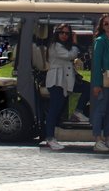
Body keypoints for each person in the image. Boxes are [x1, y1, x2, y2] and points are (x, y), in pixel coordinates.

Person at [43, 23, 88, 151]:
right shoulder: (55, 46)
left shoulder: (61, 46)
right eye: (62, 33)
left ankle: (78, 112)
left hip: (66, 79)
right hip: (57, 80)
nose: (64, 35)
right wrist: (74, 43)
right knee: (54, 109)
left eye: (67, 33)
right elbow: (70, 55)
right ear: (57, 34)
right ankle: (50, 138)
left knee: (87, 88)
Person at [90, 14, 109, 152]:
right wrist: (96, 84)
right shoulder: (100, 41)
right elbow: (96, 64)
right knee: (100, 110)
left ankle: (108, 138)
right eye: (106, 24)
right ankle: (97, 139)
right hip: (103, 79)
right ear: (102, 27)